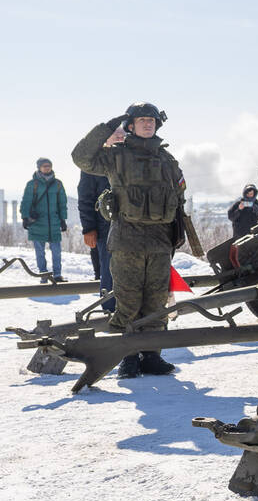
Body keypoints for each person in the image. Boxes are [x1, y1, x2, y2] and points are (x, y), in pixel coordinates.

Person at [72, 102, 186, 379]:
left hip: (159, 241)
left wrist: (176, 236)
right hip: (127, 240)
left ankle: (152, 355)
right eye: (141, 120)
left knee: (156, 301)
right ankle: (128, 356)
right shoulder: (116, 156)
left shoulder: (168, 160)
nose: (148, 124)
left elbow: (178, 200)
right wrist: (108, 127)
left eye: (151, 120)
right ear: (131, 126)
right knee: (128, 299)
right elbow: (81, 157)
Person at [77, 126, 124, 312]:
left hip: (132, 228)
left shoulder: (130, 159)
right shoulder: (94, 164)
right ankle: (109, 312)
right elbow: (86, 198)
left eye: (122, 134)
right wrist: (88, 228)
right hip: (106, 228)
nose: (120, 137)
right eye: (115, 134)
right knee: (109, 272)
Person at [20, 157, 69, 282]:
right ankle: (43, 275)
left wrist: (63, 220)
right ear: (39, 168)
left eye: (49, 166)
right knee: (40, 252)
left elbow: (62, 203)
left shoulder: (58, 184)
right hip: (37, 223)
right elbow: (26, 202)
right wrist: (25, 217)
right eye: (44, 166)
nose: (47, 168)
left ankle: (57, 275)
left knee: (57, 252)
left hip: (54, 223)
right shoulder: (32, 184)